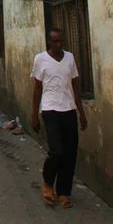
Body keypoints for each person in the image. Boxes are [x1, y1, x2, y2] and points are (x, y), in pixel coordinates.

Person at [31, 27, 87, 208]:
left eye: (61, 41)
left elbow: (75, 86)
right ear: (49, 41)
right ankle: (48, 182)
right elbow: (37, 88)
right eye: (55, 41)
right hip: (50, 109)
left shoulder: (69, 58)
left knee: (70, 153)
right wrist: (34, 115)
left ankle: (63, 192)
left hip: (68, 109)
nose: (58, 44)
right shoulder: (41, 59)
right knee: (57, 151)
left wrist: (81, 113)